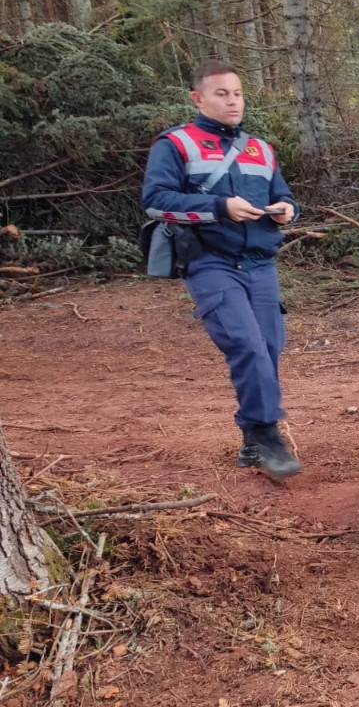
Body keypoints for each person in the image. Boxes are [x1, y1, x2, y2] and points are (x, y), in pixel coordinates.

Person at [142, 60, 303, 479]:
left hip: (260, 264)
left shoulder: (260, 148)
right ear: (198, 98)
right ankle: (267, 435)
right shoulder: (176, 144)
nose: (232, 101)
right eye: (221, 94)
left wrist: (289, 209)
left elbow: (283, 194)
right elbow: (155, 200)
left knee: (268, 348)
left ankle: (251, 438)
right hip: (210, 262)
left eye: (237, 93)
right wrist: (219, 207)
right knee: (246, 345)